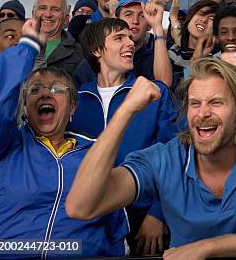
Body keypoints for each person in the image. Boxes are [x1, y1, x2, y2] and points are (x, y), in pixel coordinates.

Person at [66, 58, 236, 257]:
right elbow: (80, 206)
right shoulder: (165, 158)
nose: (202, 113)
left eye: (215, 102)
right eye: (194, 103)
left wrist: (207, 248)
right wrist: (125, 111)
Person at [0, 18, 128, 258]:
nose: (45, 93)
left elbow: (115, 232)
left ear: (73, 107)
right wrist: (28, 46)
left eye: (56, 89)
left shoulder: (96, 155)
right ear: (23, 107)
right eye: (35, 90)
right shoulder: (3, 145)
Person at [73, 18, 180, 255]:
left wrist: (157, 213)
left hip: (143, 218)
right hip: (89, 217)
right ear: (96, 50)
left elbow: (177, 154)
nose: (130, 43)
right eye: (119, 38)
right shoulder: (74, 100)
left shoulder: (154, 93)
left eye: (130, 38)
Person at [73, 0, 173, 88]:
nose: (135, 21)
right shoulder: (95, 60)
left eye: (142, 16)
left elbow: (164, 86)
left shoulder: (157, 58)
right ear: (117, 19)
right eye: (128, 14)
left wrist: (157, 27)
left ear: (149, 25)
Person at [32, 0, 83, 74]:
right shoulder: (17, 48)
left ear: (66, 19)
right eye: (42, 8)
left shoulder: (80, 53)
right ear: (33, 14)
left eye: (55, 9)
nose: (48, 14)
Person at [168, 0, 220, 79]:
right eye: (201, 14)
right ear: (190, 18)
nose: (203, 20)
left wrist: (198, 60)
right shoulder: (170, 50)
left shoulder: (217, 60)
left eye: (211, 19)